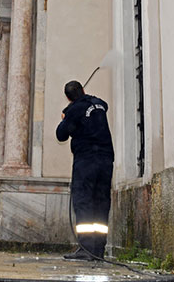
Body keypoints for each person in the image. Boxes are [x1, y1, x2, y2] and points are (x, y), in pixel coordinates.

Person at [55, 80, 114, 261]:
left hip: (86, 160)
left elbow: (61, 134)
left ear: (68, 96)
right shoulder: (99, 104)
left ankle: (86, 249)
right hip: (106, 160)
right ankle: (98, 249)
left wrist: (66, 117)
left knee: (83, 202)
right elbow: (104, 105)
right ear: (83, 89)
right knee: (101, 203)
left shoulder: (74, 110)